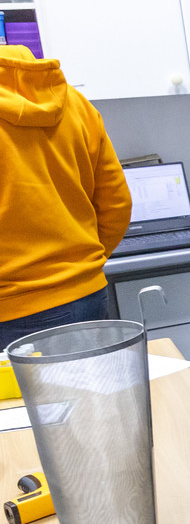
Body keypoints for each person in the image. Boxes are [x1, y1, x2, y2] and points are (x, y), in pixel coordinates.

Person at [0, 45, 130, 348]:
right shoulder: (74, 102)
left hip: (10, 305)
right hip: (84, 296)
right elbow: (116, 203)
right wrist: (78, 267)